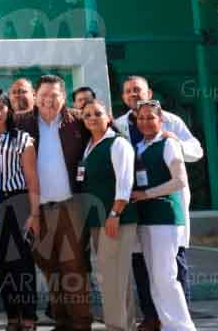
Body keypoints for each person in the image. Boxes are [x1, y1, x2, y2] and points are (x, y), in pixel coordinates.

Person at [114, 75, 203, 331]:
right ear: (123, 97)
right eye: (128, 91)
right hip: (137, 207)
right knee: (144, 266)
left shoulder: (170, 123)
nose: (133, 95)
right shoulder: (119, 125)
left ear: (149, 93)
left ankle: (180, 320)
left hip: (164, 208)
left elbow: (196, 151)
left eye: (138, 90)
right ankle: (153, 318)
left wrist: (173, 142)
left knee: (170, 269)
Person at [14, 74, 92, 331]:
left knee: (74, 267)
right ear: (36, 97)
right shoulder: (22, 122)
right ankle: (62, 321)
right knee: (49, 267)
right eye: (44, 95)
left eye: (55, 95)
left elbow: (108, 129)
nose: (49, 100)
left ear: (64, 97)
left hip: (70, 206)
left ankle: (81, 324)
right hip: (36, 210)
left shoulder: (78, 120)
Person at [128, 101, 196, 331]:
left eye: (150, 117)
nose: (145, 122)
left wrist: (146, 194)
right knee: (155, 279)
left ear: (161, 120)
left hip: (165, 219)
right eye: (141, 118)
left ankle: (182, 327)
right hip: (146, 218)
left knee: (166, 277)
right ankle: (168, 324)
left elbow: (180, 181)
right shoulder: (139, 147)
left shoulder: (169, 144)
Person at [0, 88, 39, 331]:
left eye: (1, 107)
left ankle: (29, 317)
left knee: (22, 263)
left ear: (9, 108)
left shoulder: (22, 139)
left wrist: (35, 214)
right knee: (2, 263)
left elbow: (32, 178)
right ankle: (12, 316)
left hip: (18, 201)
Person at [78, 100, 137, 331]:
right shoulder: (89, 145)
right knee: (118, 278)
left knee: (112, 279)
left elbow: (125, 183)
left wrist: (115, 213)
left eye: (97, 113)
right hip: (97, 221)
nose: (92, 118)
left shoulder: (118, 143)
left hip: (115, 219)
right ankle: (126, 326)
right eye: (87, 115)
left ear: (108, 116)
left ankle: (116, 327)